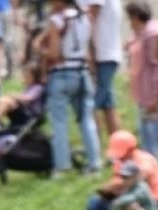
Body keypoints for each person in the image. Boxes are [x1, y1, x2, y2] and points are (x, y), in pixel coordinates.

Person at [41, 0, 102, 176]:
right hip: (82, 70)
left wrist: (40, 50)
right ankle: (94, 163)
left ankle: (62, 165)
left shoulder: (57, 20)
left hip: (61, 72)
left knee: (59, 121)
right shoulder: (85, 17)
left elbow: (53, 53)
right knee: (86, 119)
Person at [127, 1, 158, 180]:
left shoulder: (154, 33)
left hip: (153, 93)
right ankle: (149, 173)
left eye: (130, 19)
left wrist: (157, 98)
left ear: (135, 17)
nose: (129, 23)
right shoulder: (142, 33)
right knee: (146, 134)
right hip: (144, 93)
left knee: (157, 134)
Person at [83, 128, 158, 210]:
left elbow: (140, 176)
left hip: (154, 200)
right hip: (129, 196)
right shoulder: (120, 162)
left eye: (121, 154)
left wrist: (117, 186)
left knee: (130, 206)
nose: (119, 158)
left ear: (131, 150)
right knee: (96, 201)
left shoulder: (144, 159)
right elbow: (118, 182)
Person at [85, 0, 123, 142]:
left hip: (102, 54)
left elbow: (91, 19)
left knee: (90, 105)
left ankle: (93, 150)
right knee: (108, 105)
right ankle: (119, 150)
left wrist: (90, 51)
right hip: (107, 53)